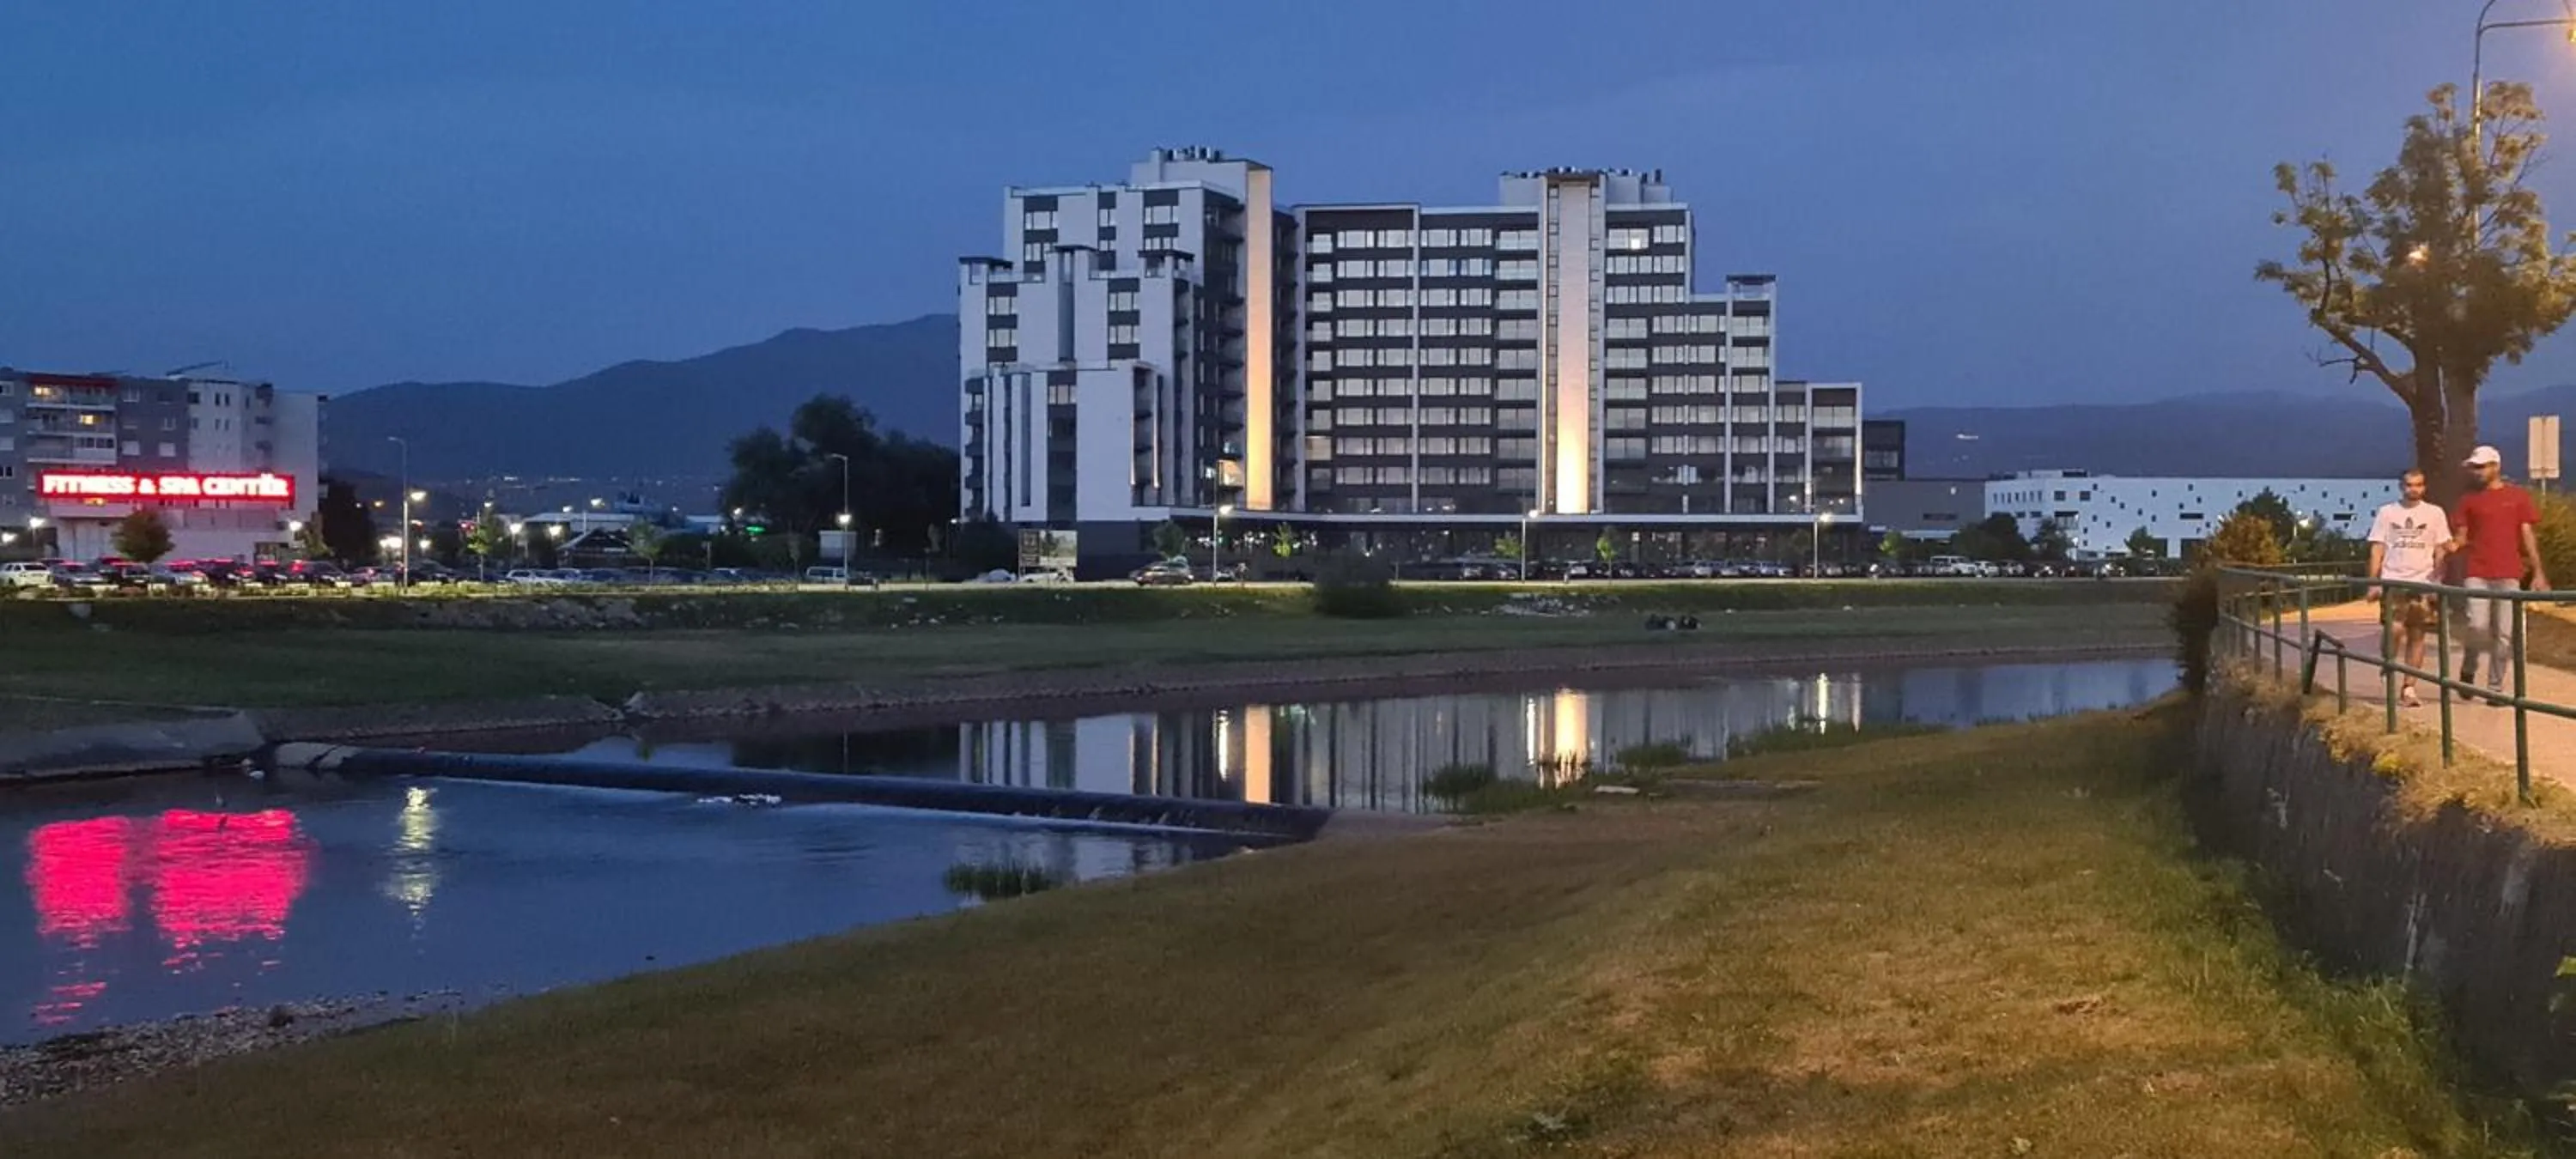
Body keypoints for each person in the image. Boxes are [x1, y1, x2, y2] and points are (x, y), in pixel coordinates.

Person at [2449, 446, 2553, 702]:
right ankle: (2469, 670)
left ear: (2496, 467)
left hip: (2509, 573)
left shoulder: (2518, 497)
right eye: (2474, 467)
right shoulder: (2468, 501)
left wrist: (2539, 571)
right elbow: (2461, 537)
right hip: (2478, 572)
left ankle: (2495, 689)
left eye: (2481, 467)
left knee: (2505, 633)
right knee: (2477, 626)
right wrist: (2448, 547)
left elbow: (2527, 534)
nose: (2477, 472)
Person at [2366, 469, 2451, 707]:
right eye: (2409, 485)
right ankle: (2388, 660)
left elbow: (2441, 548)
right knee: (2393, 630)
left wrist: (2437, 581)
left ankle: (2409, 687)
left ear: (2424, 487)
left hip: (2423, 581)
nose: (2413, 489)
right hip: (2394, 580)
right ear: (2401, 487)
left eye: (2418, 485)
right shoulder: (2387, 513)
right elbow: (2377, 548)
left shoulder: (2435, 513)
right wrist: (2374, 582)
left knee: (2417, 635)